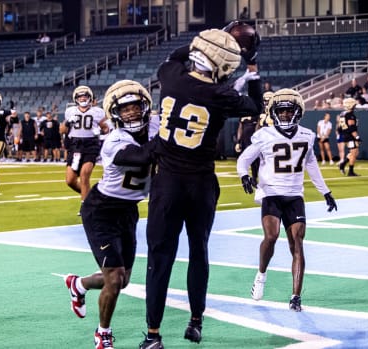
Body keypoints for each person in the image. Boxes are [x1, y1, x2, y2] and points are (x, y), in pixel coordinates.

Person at [139, 27, 262, 349]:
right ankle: (195, 321)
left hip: (167, 182)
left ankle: (153, 334)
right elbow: (255, 106)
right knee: (199, 252)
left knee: (160, 257)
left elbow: (177, 56)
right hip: (201, 184)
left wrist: (212, 39)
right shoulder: (221, 96)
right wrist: (252, 64)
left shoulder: (170, 75)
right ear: (224, 64)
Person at [64, 80, 157, 349]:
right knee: (114, 277)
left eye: (135, 107)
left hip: (128, 210)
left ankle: (79, 284)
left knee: (122, 280)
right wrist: (167, 139)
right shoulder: (115, 140)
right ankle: (102, 333)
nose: (131, 113)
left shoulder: (155, 126)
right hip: (101, 210)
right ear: (115, 113)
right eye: (124, 109)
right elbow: (141, 158)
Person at [235, 88, 337, 312]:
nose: (284, 115)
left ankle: (295, 297)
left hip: (294, 197)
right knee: (270, 237)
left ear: (297, 112)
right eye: (280, 112)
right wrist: (244, 175)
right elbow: (244, 159)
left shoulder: (307, 136)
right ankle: (261, 275)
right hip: (271, 193)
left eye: (288, 111)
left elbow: (312, 165)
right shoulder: (264, 135)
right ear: (273, 113)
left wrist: (325, 191)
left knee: (297, 244)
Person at [60, 85, 109, 214]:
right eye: (80, 96)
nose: (83, 98)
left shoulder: (97, 112)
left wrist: (100, 133)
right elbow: (62, 130)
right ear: (75, 99)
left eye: (85, 96)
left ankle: (85, 205)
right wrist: (67, 122)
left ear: (90, 98)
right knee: (70, 180)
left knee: (84, 175)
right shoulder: (70, 111)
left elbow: (107, 129)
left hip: (90, 145)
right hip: (75, 146)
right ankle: (91, 197)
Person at [337, 98, 362, 176]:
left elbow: (339, 128)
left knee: (355, 152)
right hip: (350, 136)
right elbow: (351, 128)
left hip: (346, 135)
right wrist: (357, 137)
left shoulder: (342, 114)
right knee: (354, 153)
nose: (355, 106)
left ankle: (343, 164)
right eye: (354, 105)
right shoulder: (350, 115)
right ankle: (350, 171)